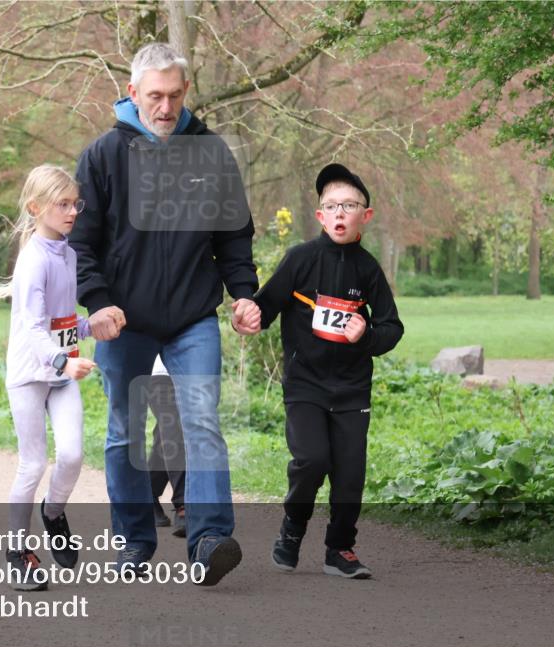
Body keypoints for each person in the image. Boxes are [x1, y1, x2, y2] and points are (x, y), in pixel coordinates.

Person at [69, 43, 260, 586]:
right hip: (124, 320)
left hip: (193, 317)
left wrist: (243, 294)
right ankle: (133, 540)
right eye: (155, 95)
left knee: (201, 424)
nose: (166, 106)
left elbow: (234, 240)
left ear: (185, 92)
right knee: (125, 432)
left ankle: (208, 542)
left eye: (175, 94)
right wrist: (99, 302)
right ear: (133, 93)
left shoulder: (212, 153)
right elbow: (82, 245)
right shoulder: (104, 156)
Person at [252, 163, 404, 579]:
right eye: (331, 206)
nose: (339, 213)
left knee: (350, 473)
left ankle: (340, 549)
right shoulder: (300, 259)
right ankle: (292, 529)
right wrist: (248, 315)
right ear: (320, 215)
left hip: (352, 389)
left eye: (349, 205)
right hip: (306, 385)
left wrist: (366, 334)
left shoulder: (368, 269)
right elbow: (265, 307)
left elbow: (392, 328)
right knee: (312, 460)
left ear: (365, 216)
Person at [0, 165, 97, 591]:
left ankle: (53, 513)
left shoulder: (68, 254)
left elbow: (61, 323)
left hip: (60, 371)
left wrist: (94, 326)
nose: (72, 211)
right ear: (36, 208)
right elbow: (35, 331)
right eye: (63, 204)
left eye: (75, 204)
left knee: (72, 455)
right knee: (33, 463)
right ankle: (17, 551)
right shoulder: (33, 261)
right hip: (30, 375)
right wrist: (64, 363)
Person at [147, 355, 186, 538]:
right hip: (159, 370)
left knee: (166, 431)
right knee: (171, 427)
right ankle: (183, 505)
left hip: (188, 367)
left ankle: (147, 495)